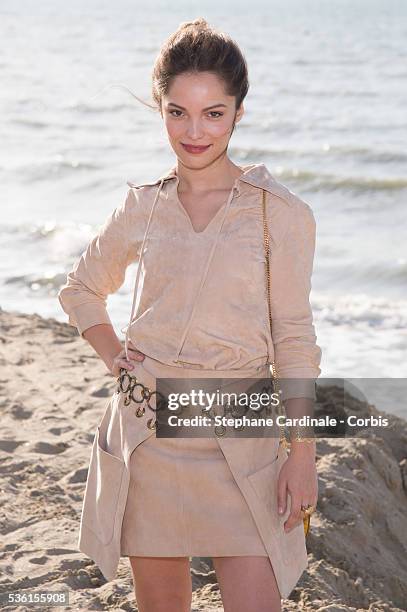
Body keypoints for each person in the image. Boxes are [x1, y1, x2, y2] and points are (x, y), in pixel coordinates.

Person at [58, 17, 322, 612]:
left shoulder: (277, 213)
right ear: (160, 109)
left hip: (243, 437)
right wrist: (112, 354)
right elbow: (80, 289)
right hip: (150, 434)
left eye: (213, 113)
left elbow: (296, 338)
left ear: (238, 113)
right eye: (177, 112)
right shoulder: (143, 206)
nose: (194, 131)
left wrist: (301, 451)